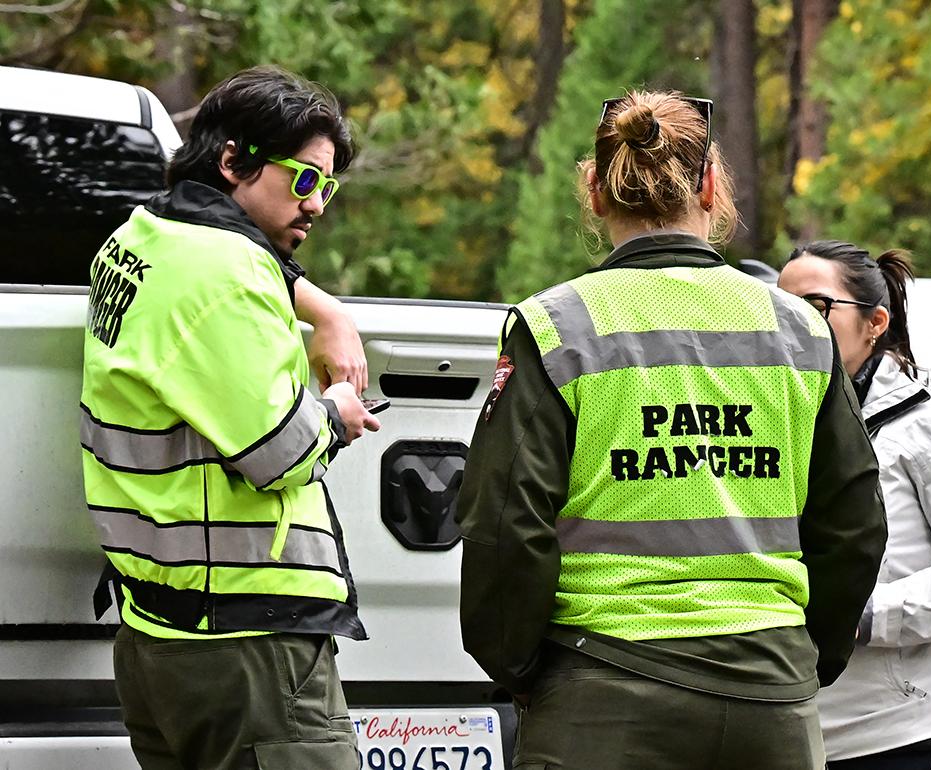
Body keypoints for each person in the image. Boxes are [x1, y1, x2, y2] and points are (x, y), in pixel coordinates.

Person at [456, 90, 888, 770]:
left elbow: (505, 522)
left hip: (601, 695)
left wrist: (521, 668)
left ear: (595, 192)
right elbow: (854, 522)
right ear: (711, 186)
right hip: (770, 701)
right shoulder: (801, 330)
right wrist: (805, 658)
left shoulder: (557, 326)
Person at [80, 65, 382, 770]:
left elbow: (233, 251)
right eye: (305, 180)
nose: (318, 204)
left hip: (158, 633)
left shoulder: (139, 238)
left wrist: (326, 308)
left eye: (328, 186)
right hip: (248, 642)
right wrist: (336, 412)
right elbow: (278, 452)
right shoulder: (229, 274)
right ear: (233, 161)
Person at [777, 241, 931, 770]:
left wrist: (858, 616)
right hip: (784, 734)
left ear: (875, 322)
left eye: (817, 307)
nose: (793, 324)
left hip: (893, 736)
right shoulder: (767, 426)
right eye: (781, 308)